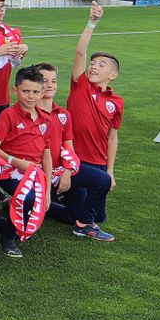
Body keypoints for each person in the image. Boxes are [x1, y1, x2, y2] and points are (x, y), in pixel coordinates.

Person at [0, 65, 54, 259]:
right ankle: (6, 238)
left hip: (34, 173)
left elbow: (47, 155)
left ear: (42, 93)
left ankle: (1, 215)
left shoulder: (47, 119)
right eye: (26, 91)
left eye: (35, 92)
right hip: (8, 171)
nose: (30, 96)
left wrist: (47, 189)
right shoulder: (8, 115)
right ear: (16, 90)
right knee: (29, 199)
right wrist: (16, 161)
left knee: (40, 201)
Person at [35, 60, 112, 242]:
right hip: (36, 172)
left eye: (53, 81)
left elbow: (68, 145)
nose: (50, 85)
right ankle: (25, 203)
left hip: (61, 170)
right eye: (44, 80)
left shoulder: (63, 114)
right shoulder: (27, 112)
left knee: (102, 181)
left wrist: (67, 171)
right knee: (34, 206)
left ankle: (84, 225)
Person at [65, 2, 122, 241]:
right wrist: (92, 23)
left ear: (113, 75)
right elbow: (80, 52)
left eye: (101, 64)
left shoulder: (116, 101)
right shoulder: (80, 85)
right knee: (85, 216)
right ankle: (83, 225)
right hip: (75, 160)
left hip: (98, 163)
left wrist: (110, 170)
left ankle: (51, 203)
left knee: (97, 215)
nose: (93, 65)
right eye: (93, 62)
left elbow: (112, 135)